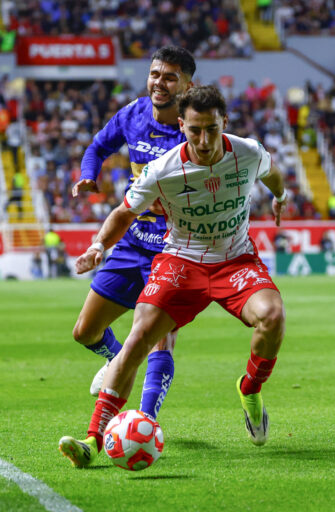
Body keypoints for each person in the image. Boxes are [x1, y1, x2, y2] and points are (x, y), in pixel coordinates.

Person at [58, 85, 288, 468]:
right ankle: (93, 440)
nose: (203, 139)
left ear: (224, 123)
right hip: (182, 261)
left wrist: (280, 197)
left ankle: (249, 389)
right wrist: (99, 246)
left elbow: (273, 173)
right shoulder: (163, 169)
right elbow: (123, 213)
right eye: (195, 129)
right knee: (138, 338)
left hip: (235, 260)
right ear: (182, 125)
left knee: (273, 316)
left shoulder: (248, 152)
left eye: (212, 129)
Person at [68, 46, 196, 423]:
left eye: (170, 76)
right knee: (85, 332)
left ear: (189, 85)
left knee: (158, 338)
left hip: (173, 250)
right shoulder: (134, 114)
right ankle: (120, 359)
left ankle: (146, 422)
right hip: (132, 241)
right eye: (156, 74)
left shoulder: (196, 130)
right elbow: (97, 146)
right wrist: (88, 174)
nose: (160, 82)